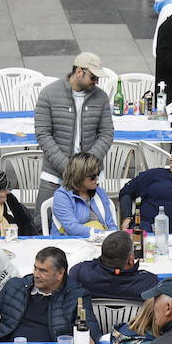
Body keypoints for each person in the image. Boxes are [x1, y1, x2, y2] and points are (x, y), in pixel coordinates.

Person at [34, 53, 115, 220]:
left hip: (89, 174)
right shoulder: (48, 94)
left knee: (93, 221)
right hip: (54, 172)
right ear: (79, 71)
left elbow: (106, 134)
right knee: (42, 220)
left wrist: (85, 167)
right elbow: (43, 134)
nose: (96, 82)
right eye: (93, 77)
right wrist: (69, 168)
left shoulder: (101, 97)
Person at [0, 247, 96, 343]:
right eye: (35, 268)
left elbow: (92, 326)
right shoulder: (15, 287)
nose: (36, 274)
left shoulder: (76, 295)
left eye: (43, 271)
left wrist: (90, 340)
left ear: (60, 273)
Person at [68, 234, 153, 304]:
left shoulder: (81, 273)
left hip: (94, 322)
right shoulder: (148, 282)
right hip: (133, 323)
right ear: (131, 259)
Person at [51, 153, 115, 236]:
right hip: (69, 243)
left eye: (98, 173)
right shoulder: (62, 196)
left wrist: (113, 236)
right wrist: (102, 234)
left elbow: (110, 224)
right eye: (92, 176)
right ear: (79, 176)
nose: (97, 178)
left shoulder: (100, 193)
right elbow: (72, 228)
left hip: (99, 242)